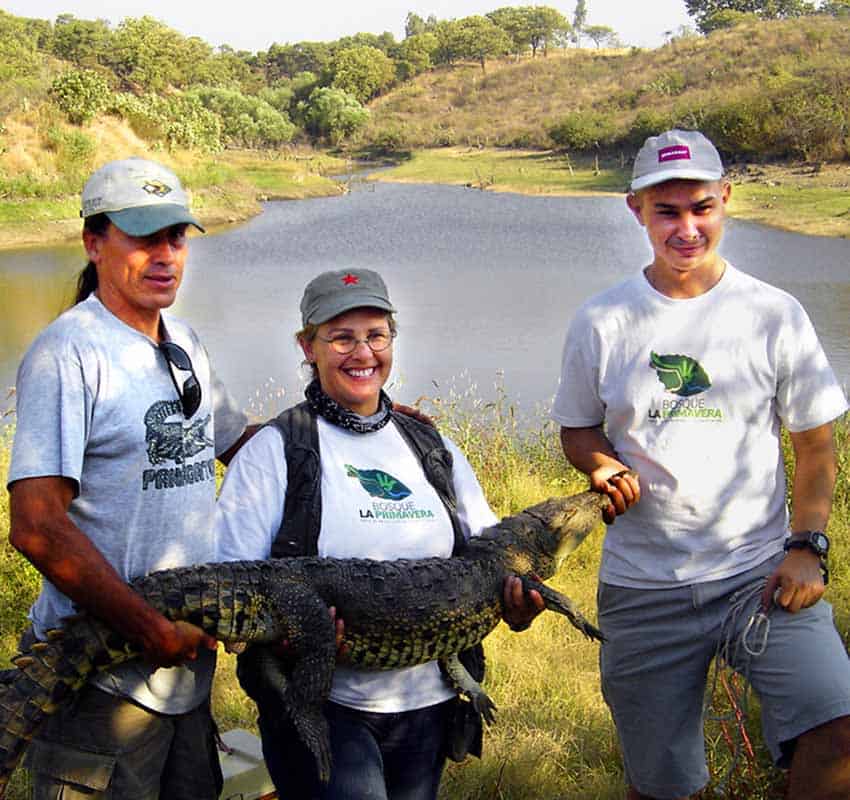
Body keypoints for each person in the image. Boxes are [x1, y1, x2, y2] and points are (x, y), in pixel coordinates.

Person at [551, 129, 850, 800]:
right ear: (636, 210)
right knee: (663, 786)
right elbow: (576, 428)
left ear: (726, 200)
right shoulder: (602, 320)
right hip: (644, 587)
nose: (687, 228)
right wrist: (598, 462)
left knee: (838, 728)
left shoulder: (774, 314)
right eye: (667, 211)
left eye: (702, 208)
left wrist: (807, 546)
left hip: (760, 575)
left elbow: (815, 447)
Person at [213, 267, 542, 800]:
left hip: (428, 704)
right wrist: (296, 635)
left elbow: (487, 560)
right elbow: (233, 591)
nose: (362, 353)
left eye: (376, 335)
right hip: (321, 709)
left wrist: (516, 605)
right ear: (307, 345)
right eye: (341, 337)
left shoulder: (431, 446)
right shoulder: (274, 452)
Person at [7, 157, 254, 800]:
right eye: (144, 237)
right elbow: (36, 526)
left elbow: (244, 445)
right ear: (94, 242)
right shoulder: (70, 353)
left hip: (183, 680)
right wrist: (148, 627)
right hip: (101, 684)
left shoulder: (183, 341)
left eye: (176, 236)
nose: (166, 254)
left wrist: (355, 421)